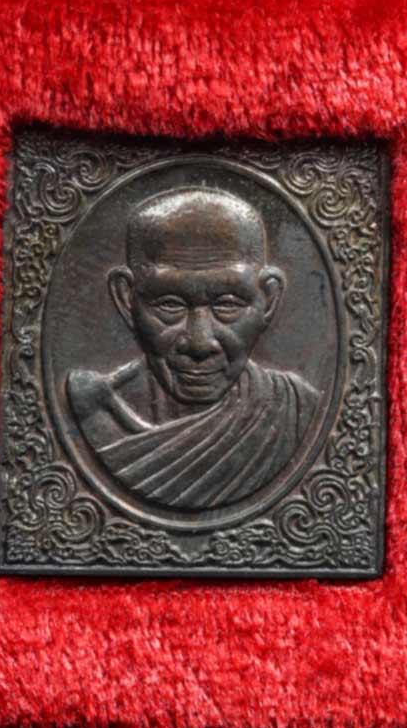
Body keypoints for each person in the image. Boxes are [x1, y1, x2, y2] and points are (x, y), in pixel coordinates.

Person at [67, 186, 319, 510]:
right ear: (126, 298)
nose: (200, 343)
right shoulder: (90, 409)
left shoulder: (296, 410)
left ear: (268, 300)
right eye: (170, 305)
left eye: (227, 305)